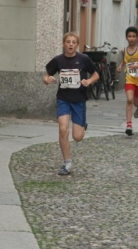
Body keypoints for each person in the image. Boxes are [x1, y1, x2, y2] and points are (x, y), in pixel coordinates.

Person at [44, 32, 99, 175]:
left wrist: (89, 81)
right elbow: (47, 75)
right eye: (68, 42)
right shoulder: (58, 60)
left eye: (73, 42)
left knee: (77, 137)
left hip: (79, 99)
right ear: (64, 44)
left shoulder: (84, 59)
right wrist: (47, 80)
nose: (70, 44)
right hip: (63, 98)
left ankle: (83, 125)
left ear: (77, 44)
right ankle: (67, 164)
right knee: (63, 129)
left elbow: (96, 74)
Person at [117, 27, 138, 136]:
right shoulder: (124, 50)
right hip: (130, 78)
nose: (131, 39)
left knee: (136, 102)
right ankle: (129, 125)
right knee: (129, 100)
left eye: (133, 36)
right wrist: (120, 66)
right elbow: (125, 60)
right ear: (126, 37)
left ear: (137, 38)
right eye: (129, 36)